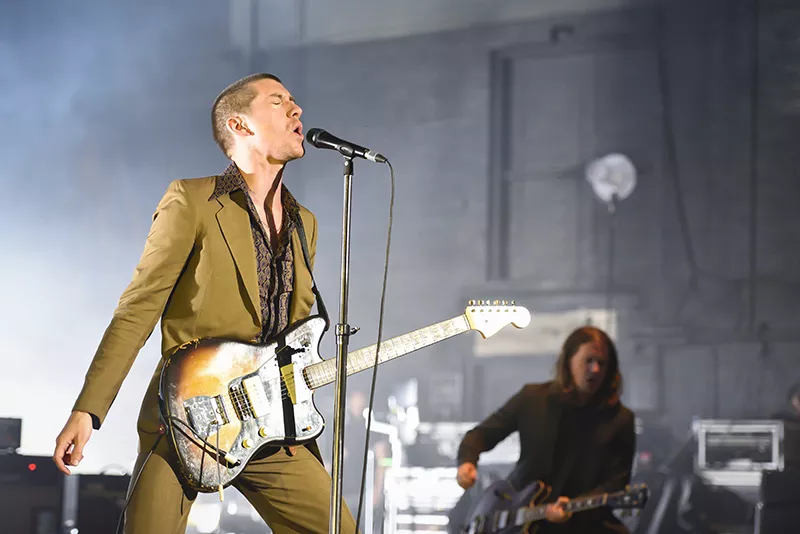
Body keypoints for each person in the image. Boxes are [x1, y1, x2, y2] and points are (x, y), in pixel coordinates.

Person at [52, 72, 358, 534]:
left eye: (295, 102)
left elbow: (298, 336)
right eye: (278, 102)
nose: (297, 110)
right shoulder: (192, 201)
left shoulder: (304, 223)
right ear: (240, 126)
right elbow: (137, 308)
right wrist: (88, 409)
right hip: (187, 417)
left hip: (270, 423)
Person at [455, 326, 636, 533]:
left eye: (602, 364)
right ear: (569, 361)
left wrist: (574, 506)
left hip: (581, 521)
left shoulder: (620, 419)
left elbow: (615, 483)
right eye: (589, 360)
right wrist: (466, 462)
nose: (595, 369)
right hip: (514, 514)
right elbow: (481, 435)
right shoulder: (533, 399)